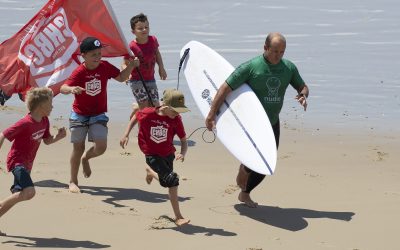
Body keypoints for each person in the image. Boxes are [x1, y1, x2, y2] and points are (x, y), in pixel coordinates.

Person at [205, 32, 309, 208]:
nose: (278, 55)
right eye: (275, 51)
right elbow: (225, 88)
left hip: (272, 122)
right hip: (250, 123)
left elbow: (303, 86)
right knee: (256, 159)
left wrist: (303, 95)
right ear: (265, 48)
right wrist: (211, 114)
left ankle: (244, 192)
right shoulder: (251, 67)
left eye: (282, 52)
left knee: (267, 163)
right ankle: (245, 170)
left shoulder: (288, 68)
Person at [60, 37, 139, 193]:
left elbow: (122, 77)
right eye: (93, 55)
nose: (97, 57)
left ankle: (86, 158)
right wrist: (72, 89)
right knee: (78, 148)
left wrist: (131, 66)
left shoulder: (104, 66)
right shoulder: (80, 71)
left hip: (98, 114)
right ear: (84, 55)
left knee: (101, 147)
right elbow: (63, 88)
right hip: (79, 115)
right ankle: (73, 181)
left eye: (99, 53)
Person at [0, 87, 66, 235]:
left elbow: (47, 141)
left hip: (28, 164)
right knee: (30, 192)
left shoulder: (44, 121)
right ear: (41, 105)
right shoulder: (25, 122)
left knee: (19, 196)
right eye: (50, 103)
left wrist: (59, 137)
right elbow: (3, 134)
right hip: (17, 162)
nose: (53, 106)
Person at [120, 89, 190, 226]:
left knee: (166, 182)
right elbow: (136, 116)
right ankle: (178, 217)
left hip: (168, 153)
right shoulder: (148, 114)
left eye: (179, 111)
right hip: (151, 153)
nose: (177, 113)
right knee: (172, 181)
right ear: (165, 105)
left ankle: (150, 172)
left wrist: (183, 152)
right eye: (174, 110)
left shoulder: (176, 119)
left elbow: (183, 140)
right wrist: (126, 134)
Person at [122, 13, 167, 120]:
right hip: (137, 80)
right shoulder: (132, 46)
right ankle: (142, 131)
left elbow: (157, 54)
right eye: (140, 28)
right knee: (145, 108)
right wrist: (126, 75)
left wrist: (161, 68)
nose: (144, 30)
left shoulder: (153, 40)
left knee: (155, 105)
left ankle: (136, 107)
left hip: (150, 79)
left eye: (146, 27)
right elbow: (124, 63)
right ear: (133, 32)